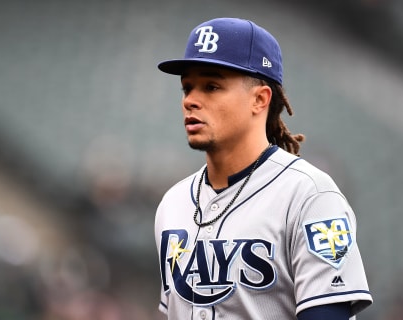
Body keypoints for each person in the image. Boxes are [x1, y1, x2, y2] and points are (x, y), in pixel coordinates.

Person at [154, 17, 372, 320]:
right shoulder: (172, 205)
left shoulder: (310, 196)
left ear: (259, 99)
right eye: (187, 87)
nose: (191, 100)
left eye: (211, 86)